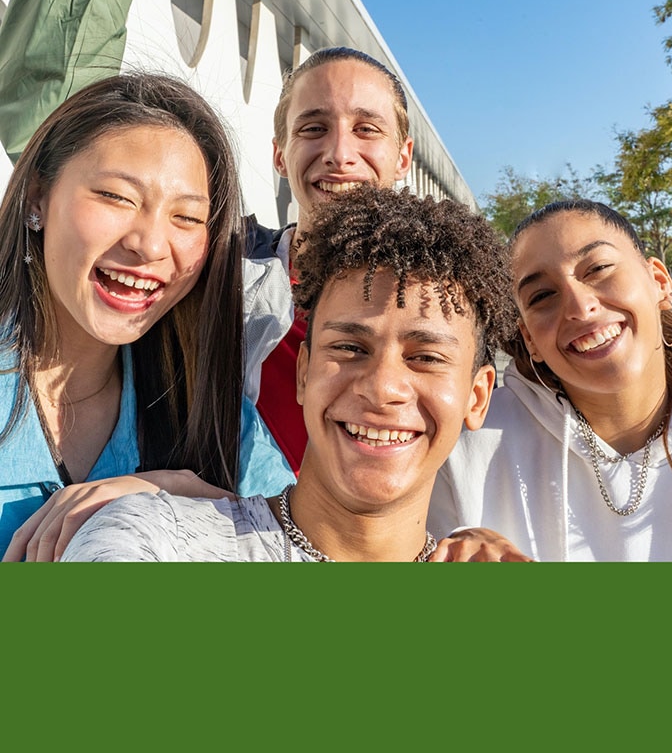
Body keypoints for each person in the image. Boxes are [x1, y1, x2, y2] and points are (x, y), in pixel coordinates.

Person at [60, 184, 521, 562]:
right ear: (303, 373)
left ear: (476, 397)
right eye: (349, 347)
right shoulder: (153, 541)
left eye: (425, 357)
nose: (383, 388)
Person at [0, 71, 290, 560]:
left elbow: (300, 545)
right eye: (117, 197)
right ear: (37, 198)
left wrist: (186, 502)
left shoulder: (210, 413)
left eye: (187, 217)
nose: (151, 245)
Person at [429, 198, 672, 562]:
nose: (580, 307)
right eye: (543, 295)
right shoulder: (463, 448)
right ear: (529, 338)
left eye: (598, 268)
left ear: (659, 282)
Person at [240, 45, 415, 495]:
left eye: (367, 129)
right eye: (314, 128)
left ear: (403, 157)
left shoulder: (441, 302)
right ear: (280, 155)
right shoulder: (218, 272)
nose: (339, 153)